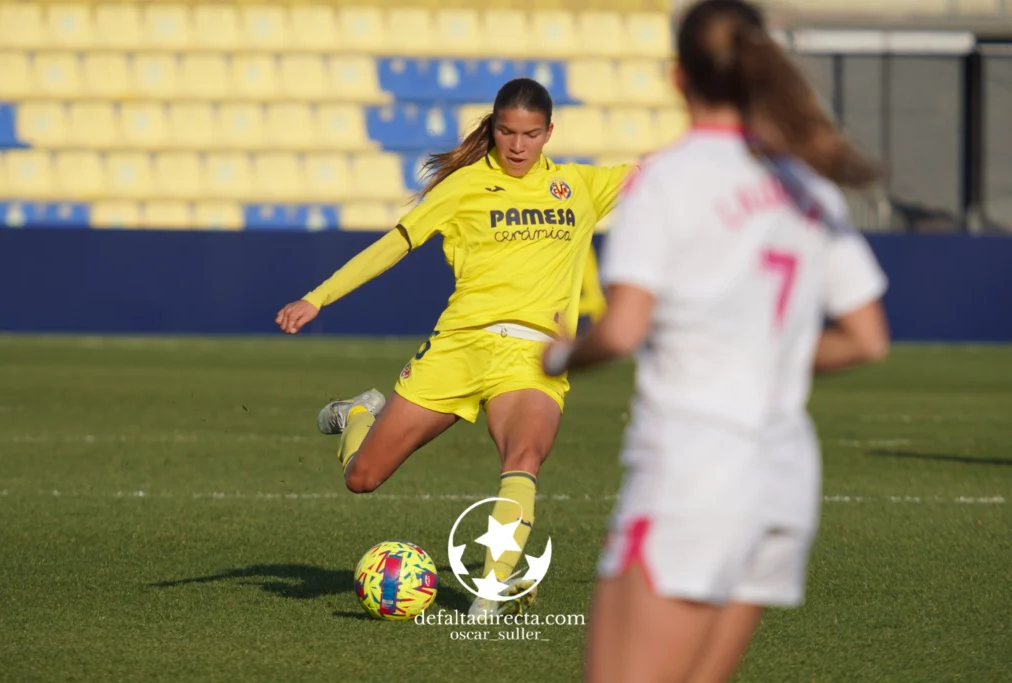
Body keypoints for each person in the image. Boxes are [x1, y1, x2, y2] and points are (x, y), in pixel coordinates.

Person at [541, 1, 890, 681]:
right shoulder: (807, 183)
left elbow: (622, 329)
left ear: (678, 77)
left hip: (693, 473)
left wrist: (559, 355)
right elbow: (867, 338)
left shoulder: (668, 178)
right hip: (785, 476)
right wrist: (761, 350)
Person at [274, 78, 636, 617]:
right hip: (459, 349)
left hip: (532, 358)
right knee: (362, 478)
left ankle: (489, 594)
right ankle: (356, 414)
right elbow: (392, 245)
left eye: (530, 134)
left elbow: (670, 176)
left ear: (549, 133)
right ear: (492, 128)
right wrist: (317, 297)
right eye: (507, 132)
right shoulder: (462, 187)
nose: (517, 146)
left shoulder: (579, 186)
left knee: (525, 456)